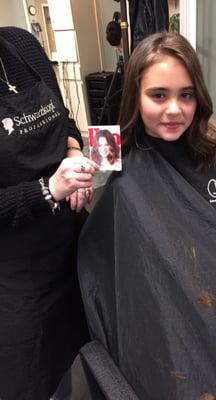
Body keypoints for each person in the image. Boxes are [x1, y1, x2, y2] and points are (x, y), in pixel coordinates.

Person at [76, 32, 216, 399]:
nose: (175, 109)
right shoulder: (122, 176)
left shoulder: (211, 161)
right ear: (135, 97)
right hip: (174, 326)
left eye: (186, 94)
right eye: (158, 95)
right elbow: (117, 271)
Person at [0, 26, 99, 400]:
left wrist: (73, 150)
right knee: (34, 379)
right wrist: (48, 190)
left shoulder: (21, 45)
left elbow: (65, 119)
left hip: (75, 247)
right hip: (19, 276)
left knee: (91, 355)